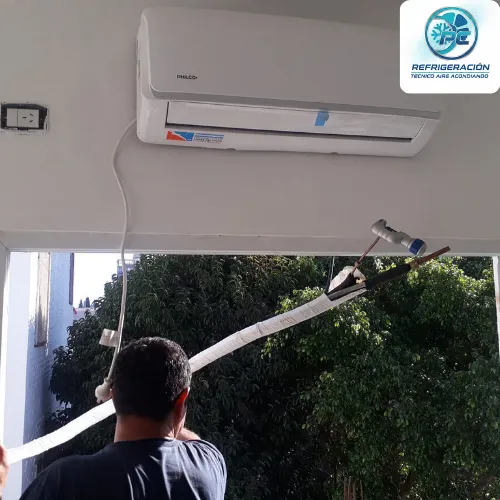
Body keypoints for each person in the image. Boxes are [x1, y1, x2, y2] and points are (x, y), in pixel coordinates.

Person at [0, 337, 226, 499]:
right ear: (182, 399)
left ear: (113, 395)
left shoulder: (65, 482)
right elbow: (191, 442)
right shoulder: (208, 467)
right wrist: (170, 411)